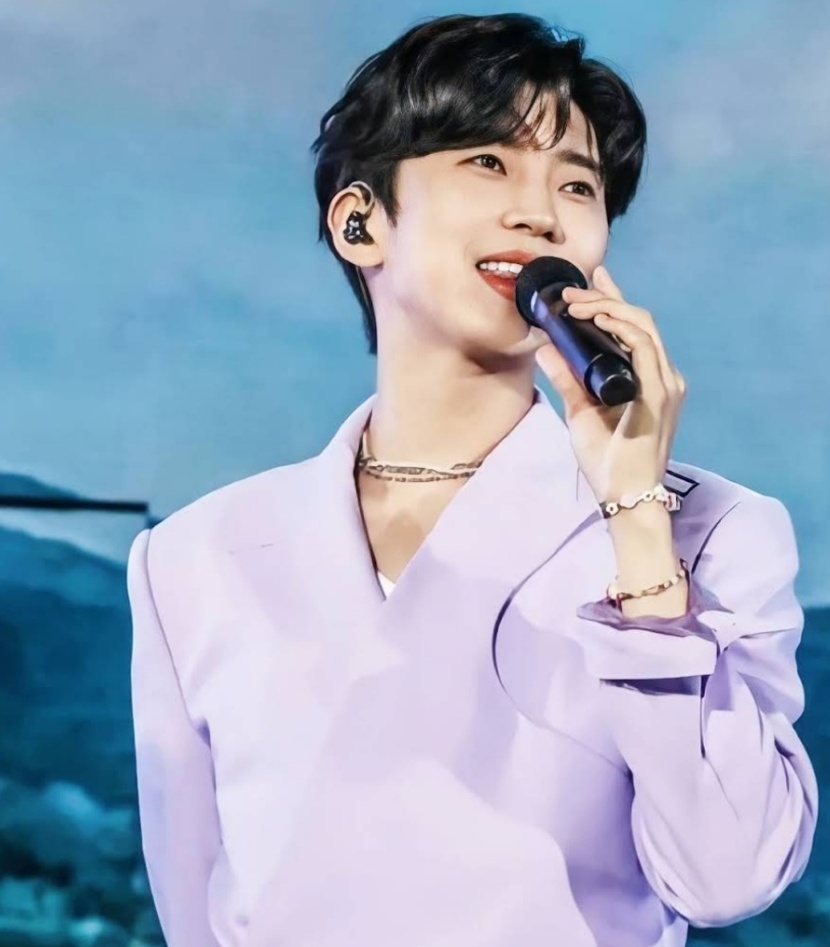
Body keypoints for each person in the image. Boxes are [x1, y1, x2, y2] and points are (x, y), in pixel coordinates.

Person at [127, 13, 817, 947]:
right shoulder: (193, 557)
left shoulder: (716, 531)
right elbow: (193, 900)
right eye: (488, 162)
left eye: (577, 183)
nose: (541, 212)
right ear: (361, 222)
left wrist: (636, 514)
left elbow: (727, 877)